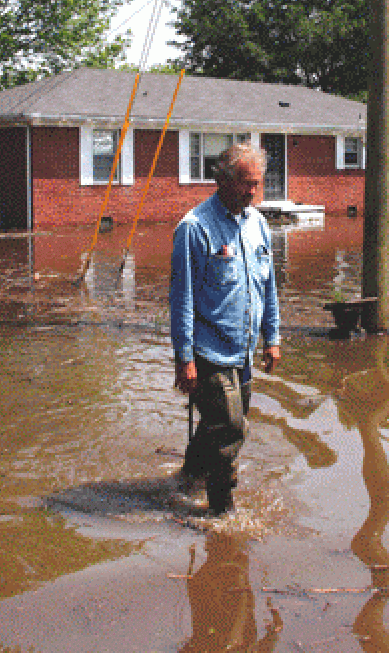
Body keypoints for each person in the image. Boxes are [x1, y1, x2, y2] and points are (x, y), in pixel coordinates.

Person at [170, 143, 281, 515]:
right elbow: (182, 300)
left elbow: (268, 288)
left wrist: (272, 338)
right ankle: (222, 511)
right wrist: (184, 360)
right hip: (208, 353)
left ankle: (189, 474)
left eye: (257, 184)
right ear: (222, 180)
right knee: (232, 428)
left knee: (222, 424)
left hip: (243, 350)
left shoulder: (259, 225)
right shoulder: (194, 228)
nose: (252, 192)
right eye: (245, 183)